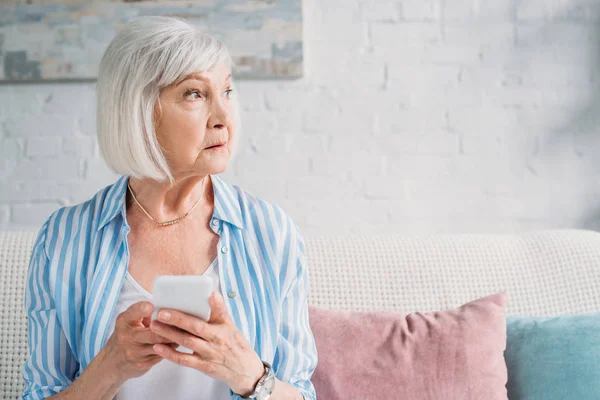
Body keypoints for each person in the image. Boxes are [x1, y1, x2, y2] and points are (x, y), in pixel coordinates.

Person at [22, 16, 317, 400]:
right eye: (194, 94)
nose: (223, 118)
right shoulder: (63, 240)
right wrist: (108, 368)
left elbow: (302, 393)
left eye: (226, 91)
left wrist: (249, 375)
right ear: (139, 112)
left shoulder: (271, 232)